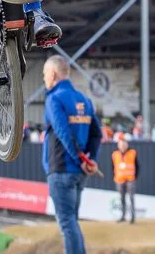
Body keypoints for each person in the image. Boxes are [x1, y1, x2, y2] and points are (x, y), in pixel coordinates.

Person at [42, 54, 102, 254]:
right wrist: (89, 159)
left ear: (53, 74)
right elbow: (97, 134)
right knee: (72, 221)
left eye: (44, 74)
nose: (44, 78)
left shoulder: (54, 99)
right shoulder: (84, 99)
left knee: (67, 223)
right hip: (79, 172)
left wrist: (79, 158)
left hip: (61, 169)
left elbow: (63, 132)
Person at [112, 138, 138, 224]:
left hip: (130, 179)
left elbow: (137, 166)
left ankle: (132, 217)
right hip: (119, 179)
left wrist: (134, 177)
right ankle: (123, 216)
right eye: (121, 145)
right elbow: (113, 167)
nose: (122, 146)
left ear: (127, 145)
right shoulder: (115, 154)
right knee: (122, 198)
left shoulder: (132, 153)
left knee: (131, 198)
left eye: (124, 144)